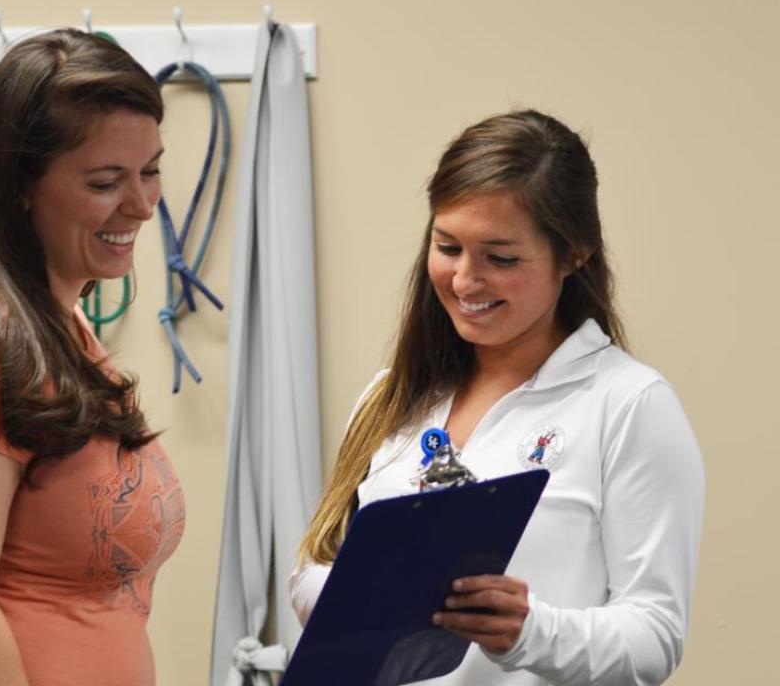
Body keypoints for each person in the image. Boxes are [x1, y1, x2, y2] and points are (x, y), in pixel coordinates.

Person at [290, 109, 704, 685]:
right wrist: (365, 595)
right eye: (447, 246)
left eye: (500, 258)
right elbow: (314, 566)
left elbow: (655, 637)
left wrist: (528, 632)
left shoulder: (630, 405)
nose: (464, 281)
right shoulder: (390, 396)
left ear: (576, 252)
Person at [0, 29, 185, 686]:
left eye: (150, 170)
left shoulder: (66, 330)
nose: (143, 205)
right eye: (105, 181)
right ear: (19, 187)